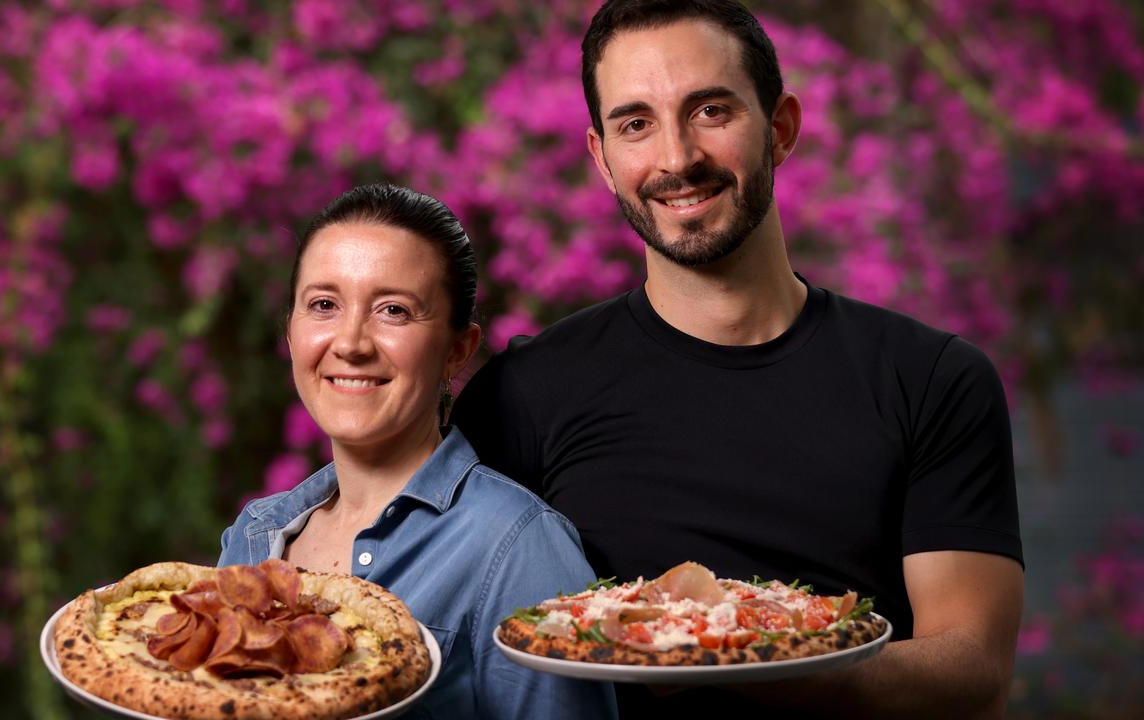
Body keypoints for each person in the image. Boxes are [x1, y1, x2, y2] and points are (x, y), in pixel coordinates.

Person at [451, 0, 1024, 716]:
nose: (676, 158)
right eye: (636, 124)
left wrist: (765, 655)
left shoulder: (934, 380)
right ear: (602, 158)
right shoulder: (521, 396)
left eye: (711, 111)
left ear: (779, 128)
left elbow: (974, 671)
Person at [218, 184, 617, 719]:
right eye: (323, 305)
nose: (352, 343)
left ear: (457, 351)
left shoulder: (519, 548)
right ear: (291, 333)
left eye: (394, 311)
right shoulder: (253, 536)